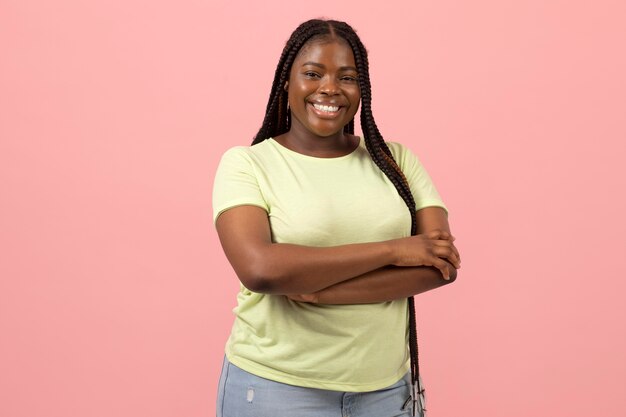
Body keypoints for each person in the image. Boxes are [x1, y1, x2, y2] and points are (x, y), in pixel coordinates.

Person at [212, 18, 460, 417]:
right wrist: (396, 249)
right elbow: (260, 269)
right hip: (276, 389)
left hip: (385, 391)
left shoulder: (397, 162)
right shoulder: (248, 164)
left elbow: (440, 265)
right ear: (286, 82)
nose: (330, 88)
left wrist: (319, 291)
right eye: (313, 73)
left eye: (347, 77)